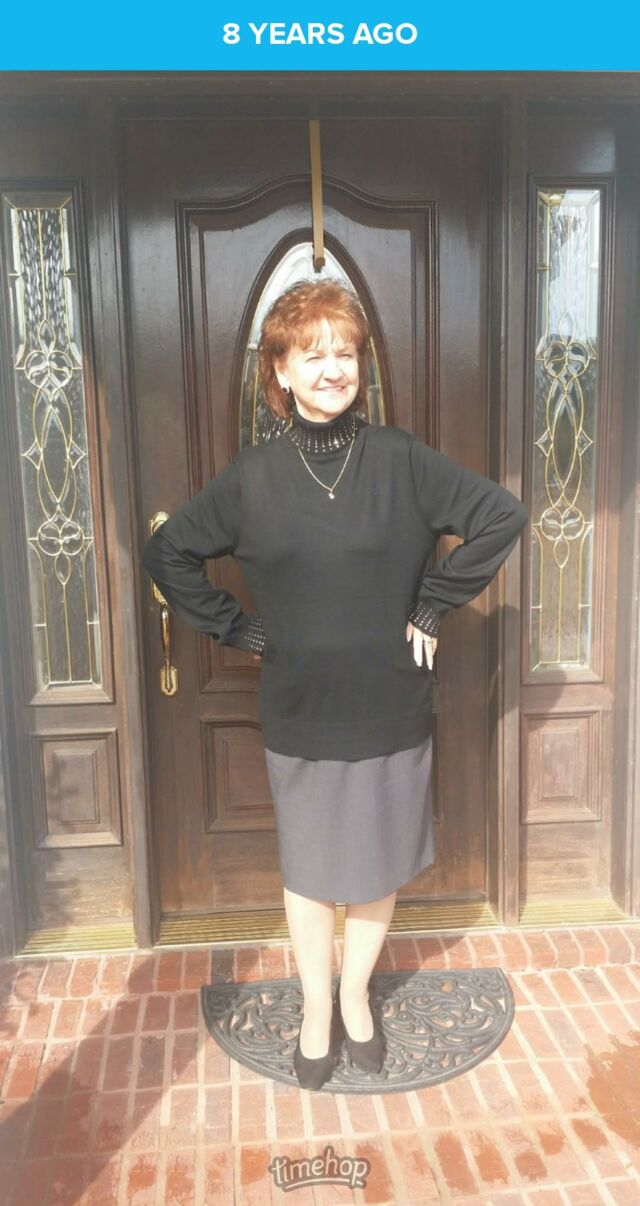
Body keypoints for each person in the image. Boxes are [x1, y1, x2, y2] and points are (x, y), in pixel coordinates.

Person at [141, 278, 529, 1090]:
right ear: (279, 372)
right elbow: (168, 551)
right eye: (312, 355)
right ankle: (317, 1007)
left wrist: (434, 601)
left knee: (379, 864)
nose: (332, 369)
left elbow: (501, 515)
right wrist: (237, 630)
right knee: (314, 869)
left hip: (390, 701)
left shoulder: (402, 460)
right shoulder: (252, 478)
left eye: (345, 353)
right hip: (302, 708)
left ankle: (356, 996)